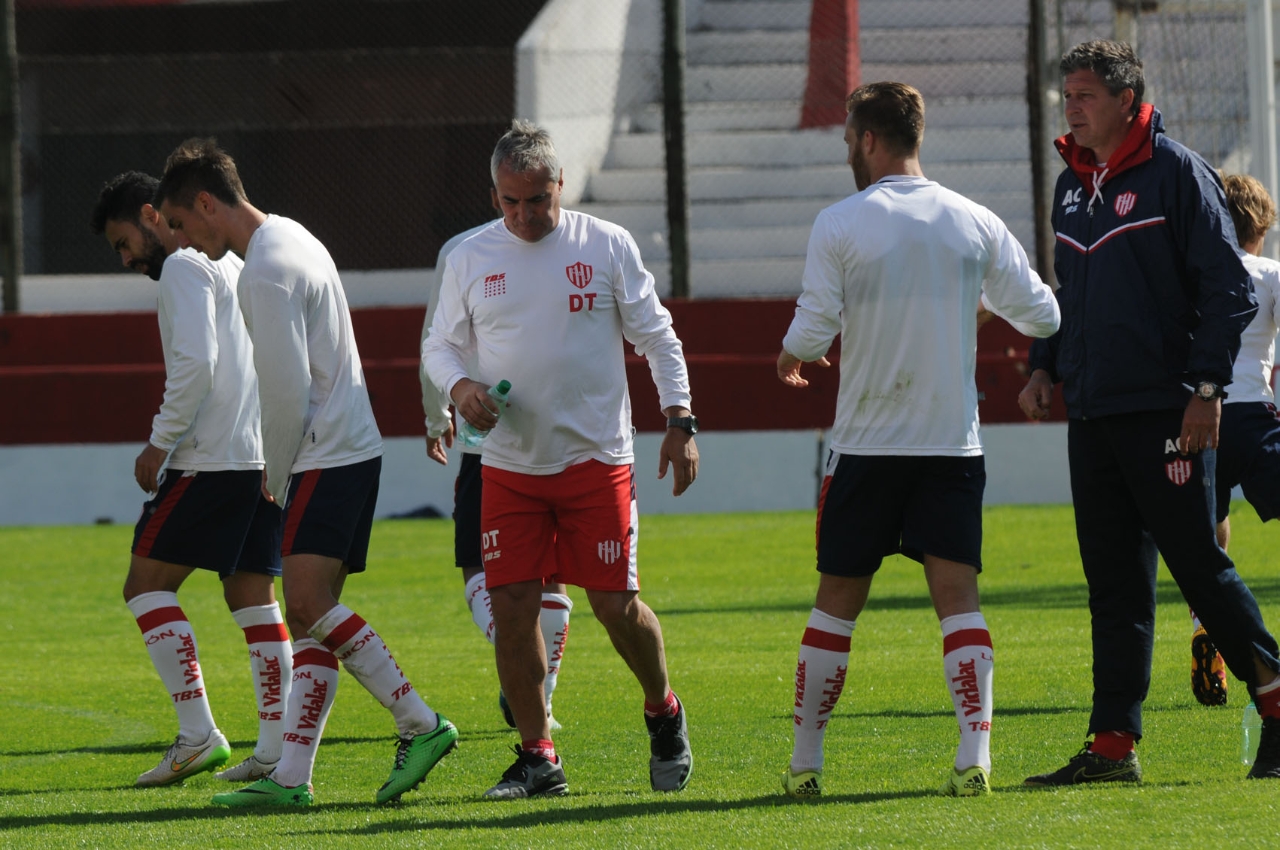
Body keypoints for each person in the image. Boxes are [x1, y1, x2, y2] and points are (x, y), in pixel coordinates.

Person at [775, 81, 1061, 799]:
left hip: (866, 446)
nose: (848, 150)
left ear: (869, 140)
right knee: (958, 598)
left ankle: (805, 765)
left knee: (836, 601)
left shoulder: (841, 221)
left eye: (849, 139)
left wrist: (790, 356)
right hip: (949, 446)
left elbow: (814, 328)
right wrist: (974, 305)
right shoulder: (973, 220)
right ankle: (974, 758)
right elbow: (1044, 315)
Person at [154, 139, 457, 807]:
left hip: (326, 451)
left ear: (206, 203)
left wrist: (277, 470)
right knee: (315, 614)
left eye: (180, 223)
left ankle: (420, 722)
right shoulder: (292, 234)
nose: (183, 240)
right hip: (352, 446)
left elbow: (287, 390)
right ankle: (291, 777)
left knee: (308, 605)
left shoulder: (263, 270)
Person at [1018, 40, 1280, 784]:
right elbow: (1069, 295)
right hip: (1093, 411)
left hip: (1166, 410)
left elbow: (1230, 288)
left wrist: (1206, 390)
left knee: (1198, 567)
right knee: (1112, 582)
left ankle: (1276, 702)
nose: (1072, 107)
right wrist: (1043, 366)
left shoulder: (1177, 173)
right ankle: (1113, 745)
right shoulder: (1071, 185)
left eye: (1085, 95)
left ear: (1126, 100)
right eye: (1067, 94)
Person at [422, 119, 698, 799]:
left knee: (614, 605)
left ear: (560, 187)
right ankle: (537, 755)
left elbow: (657, 336)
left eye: (537, 200)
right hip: (509, 466)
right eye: (510, 202)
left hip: (595, 460)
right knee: (512, 607)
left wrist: (679, 420)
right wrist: (460, 389)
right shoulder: (469, 257)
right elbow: (440, 345)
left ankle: (663, 710)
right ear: (494, 195)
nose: (524, 215)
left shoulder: (605, 244)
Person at [91, 171, 291, 787]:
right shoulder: (231, 262)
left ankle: (198, 733)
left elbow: (197, 361)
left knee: (145, 586)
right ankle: (275, 750)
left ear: (151, 214)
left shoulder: (182, 265)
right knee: (253, 597)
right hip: (259, 457)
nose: (126, 259)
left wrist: (160, 440)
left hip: (210, 459)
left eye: (124, 242)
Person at [420, 222, 573, 730]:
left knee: (478, 566)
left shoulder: (460, 249)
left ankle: (525, 675)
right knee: (551, 570)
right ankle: (540, 695)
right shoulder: (579, 242)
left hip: (488, 435)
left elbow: (434, 339)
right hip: (562, 434)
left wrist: (436, 414)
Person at [1181, 173, 1280, 707]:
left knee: (1207, 539)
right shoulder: (1269, 272)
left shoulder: (1195, 275)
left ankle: (1208, 631)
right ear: (1262, 225)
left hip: (1200, 418)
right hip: (1254, 417)